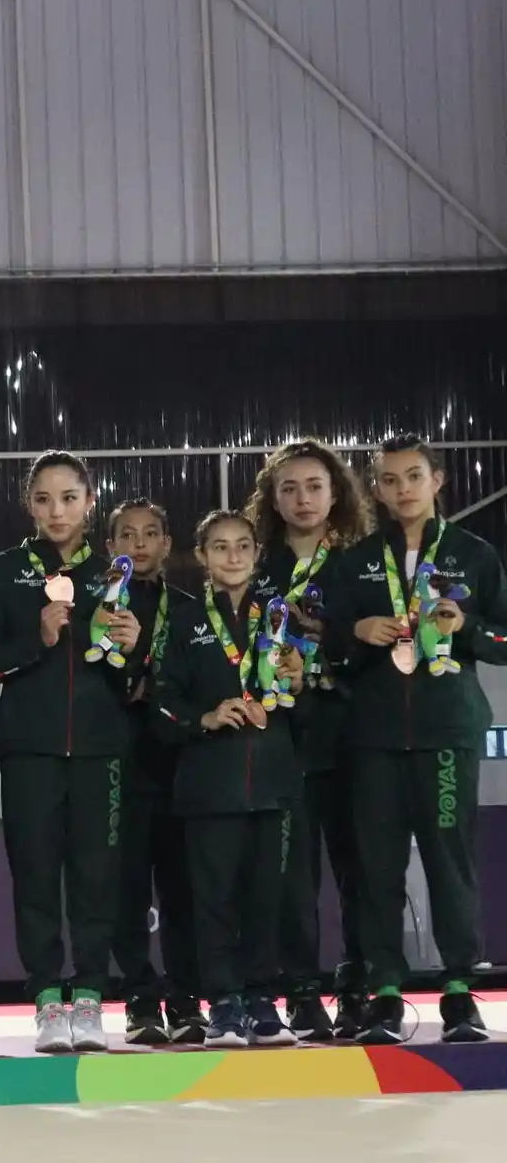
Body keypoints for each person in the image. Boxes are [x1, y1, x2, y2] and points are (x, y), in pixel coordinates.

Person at [327, 435, 507, 1045]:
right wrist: (356, 629)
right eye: (388, 479)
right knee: (376, 866)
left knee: (448, 861)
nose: (401, 489)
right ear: (375, 488)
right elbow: (324, 648)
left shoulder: (474, 554)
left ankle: (459, 992)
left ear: (438, 482)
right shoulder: (353, 562)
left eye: (413, 476)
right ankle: (384, 992)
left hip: (445, 731)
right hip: (372, 737)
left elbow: (505, 640)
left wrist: (469, 627)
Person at [0, 451, 142, 1053]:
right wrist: (37, 636)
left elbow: (140, 679)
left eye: (69, 497)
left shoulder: (116, 573)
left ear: (90, 501)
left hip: (102, 752)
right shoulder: (5, 568)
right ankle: (47, 1000)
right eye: (44, 499)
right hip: (28, 751)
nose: (57, 511)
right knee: (36, 877)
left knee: (97, 879)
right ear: (29, 505)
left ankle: (91, 998)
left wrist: (136, 646)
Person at [152, 511, 305, 1047]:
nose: (233, 556)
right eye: (220, 547)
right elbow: (161, 704)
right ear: (202, 556)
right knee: (212, 900)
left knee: (266, 898)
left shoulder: (277, 619)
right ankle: (223, 1003)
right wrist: (205, 718)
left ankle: (264, 1000)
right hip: (208, 789)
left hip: (270, 783)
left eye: (243, 546)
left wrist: (298, 678)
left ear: (257, 553)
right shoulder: (185, 621)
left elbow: (299, 695)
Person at [245, 439, 372, 1042]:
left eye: (315, 486)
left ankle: (357, 987)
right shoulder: (255, 563)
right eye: (289, 487)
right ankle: (301, 991)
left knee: (360, 872)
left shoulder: (362, 560)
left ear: (336, 492)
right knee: (293, 879)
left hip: (350, 736)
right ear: (272, 497)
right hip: (282, 740)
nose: (303, 499)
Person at [104, 499, 202, 1046]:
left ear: (167, 544)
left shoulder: (191, 609)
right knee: (127, 891)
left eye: (150, 534)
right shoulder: (99, 606)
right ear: (110, 546)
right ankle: (141, 998)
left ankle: (187, 996)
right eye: (126, 534)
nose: (138, 544)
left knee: (182, 890)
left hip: (179, 767)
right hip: (120, 766)